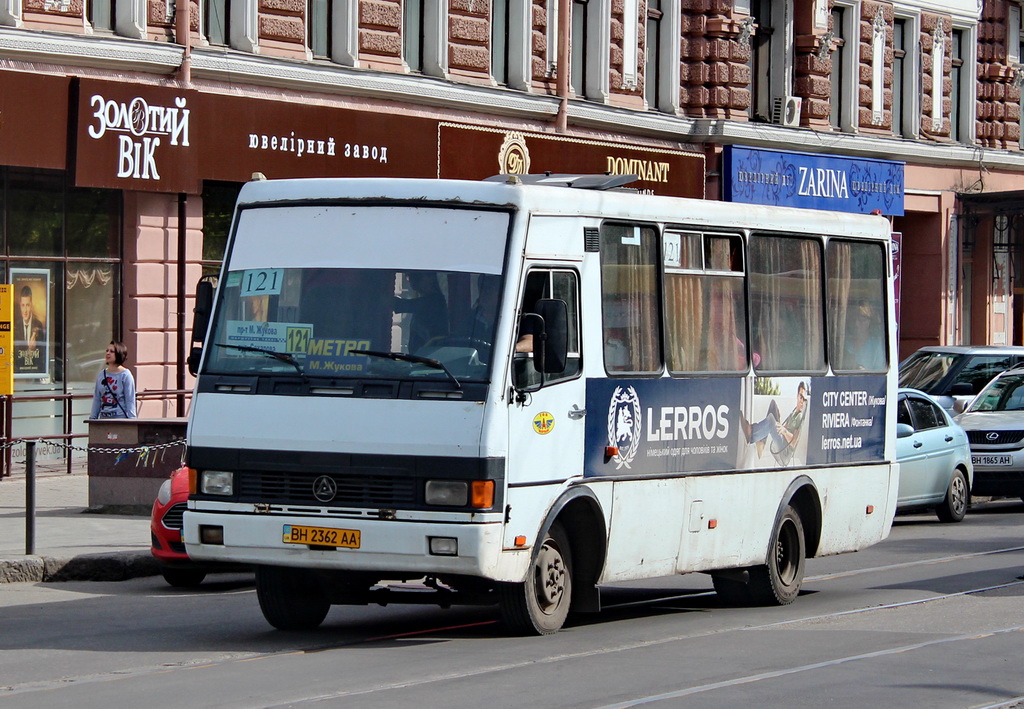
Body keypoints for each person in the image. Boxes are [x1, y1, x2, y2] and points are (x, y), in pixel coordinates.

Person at [739, 381, 808, 459]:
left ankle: (751, 434)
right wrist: (779, 421)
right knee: (773, 405)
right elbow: (787, 427)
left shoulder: (799, 417)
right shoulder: (794, 413)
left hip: (784, 450)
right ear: (797, 396)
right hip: (782, 439)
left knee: (771, 421)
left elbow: (794, 442)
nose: (802, 401)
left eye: (804, 399)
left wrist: (784, 431)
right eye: (801, 397)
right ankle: (761, 442)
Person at [393, 272, 448, 351]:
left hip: (430, 353)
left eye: (417, 278)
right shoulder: (427, 300)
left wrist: (382, 296)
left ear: (431, 279)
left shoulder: (434, 301)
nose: (413, 283)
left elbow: (401, 305)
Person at [91, 341, 137, 419]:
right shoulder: (101, 374)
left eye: (112, 351)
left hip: (120, 419)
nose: (108, 353)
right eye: (107, 351)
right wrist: (92, 418)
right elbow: (97, 398)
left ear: (119, 354)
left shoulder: (125, 375)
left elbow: (130, 400)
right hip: (104, 419)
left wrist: (132, 421)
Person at [15, 285, 46, 372]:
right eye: (23, 305)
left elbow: (43, 353)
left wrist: (35, 349)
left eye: (27, 305)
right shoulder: (16, 326)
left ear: (31, 306)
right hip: (19, 372)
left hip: (35, 371)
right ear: (20, 306)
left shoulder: (38, 325)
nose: (25, 311)